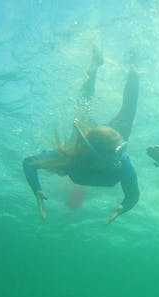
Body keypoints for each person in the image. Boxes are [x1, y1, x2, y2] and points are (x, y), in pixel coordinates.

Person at [23, 47, 139, 224]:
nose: (123, 153)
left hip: (105, 141)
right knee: (84, 106)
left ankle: (133, 66)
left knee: (128, 109)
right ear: (98, 155)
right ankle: (95, 64)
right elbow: (30, 163)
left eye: (123, 147)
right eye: (119, 150)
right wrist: (36, 189)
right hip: (92, 143)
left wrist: (125, 205)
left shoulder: (120, 161)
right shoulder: (72, 156)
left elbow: (133, 196)